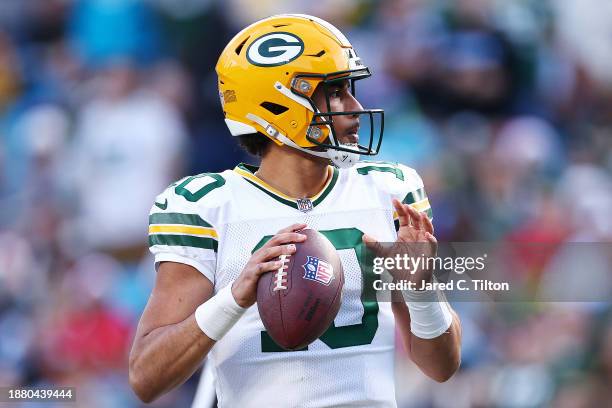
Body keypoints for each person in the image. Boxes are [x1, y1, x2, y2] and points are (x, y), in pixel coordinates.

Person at [129, 14, 461, 407]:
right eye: (335, 92)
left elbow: (442, 367)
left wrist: (421, 289)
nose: (354, 107)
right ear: (277, 103)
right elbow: (146, 377)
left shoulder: (388, 191)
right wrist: (234, 298)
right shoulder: (208, 206)